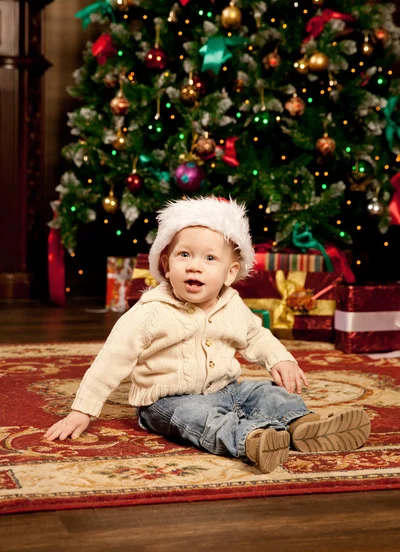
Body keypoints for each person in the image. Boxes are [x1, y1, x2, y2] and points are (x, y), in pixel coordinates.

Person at [45, 197, 371, 473]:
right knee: (194, 417)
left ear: (230, 273)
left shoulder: (231, 304)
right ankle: (253, 439)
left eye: (209, 258)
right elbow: (112, 359)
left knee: (264, 392)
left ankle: (302, 425)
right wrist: (82, 410)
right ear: (166, 264)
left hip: (226, 389)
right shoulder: (150, 312)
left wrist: (279, 359)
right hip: (166, 400)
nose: (194, 266)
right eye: (184, 255)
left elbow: (256, 336)